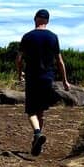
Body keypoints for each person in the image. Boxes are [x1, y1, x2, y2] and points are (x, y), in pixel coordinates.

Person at [16, 9, 70, 156]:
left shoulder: (27, 37)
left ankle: (37, 133)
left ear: (35, 19)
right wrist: (65, 81)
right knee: (41, 111)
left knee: (31, 111)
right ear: (47, 21)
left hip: (33, 77)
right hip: (48, 78)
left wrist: (19, 74)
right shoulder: (53, 37)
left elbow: (19, 59)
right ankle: (36, 142)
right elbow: (59, 61)